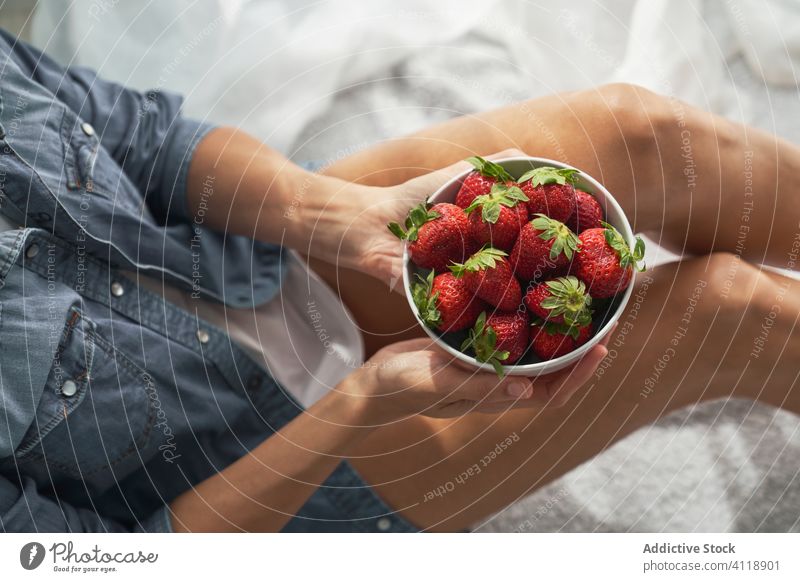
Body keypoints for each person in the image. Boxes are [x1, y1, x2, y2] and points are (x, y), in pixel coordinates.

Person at [0, 28, 797, 533]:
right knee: (729, 311)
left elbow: (150, 139)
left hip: (256, 256)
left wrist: (323, 211)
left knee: (642, 132)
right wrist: (362, 401)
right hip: (274, 470)